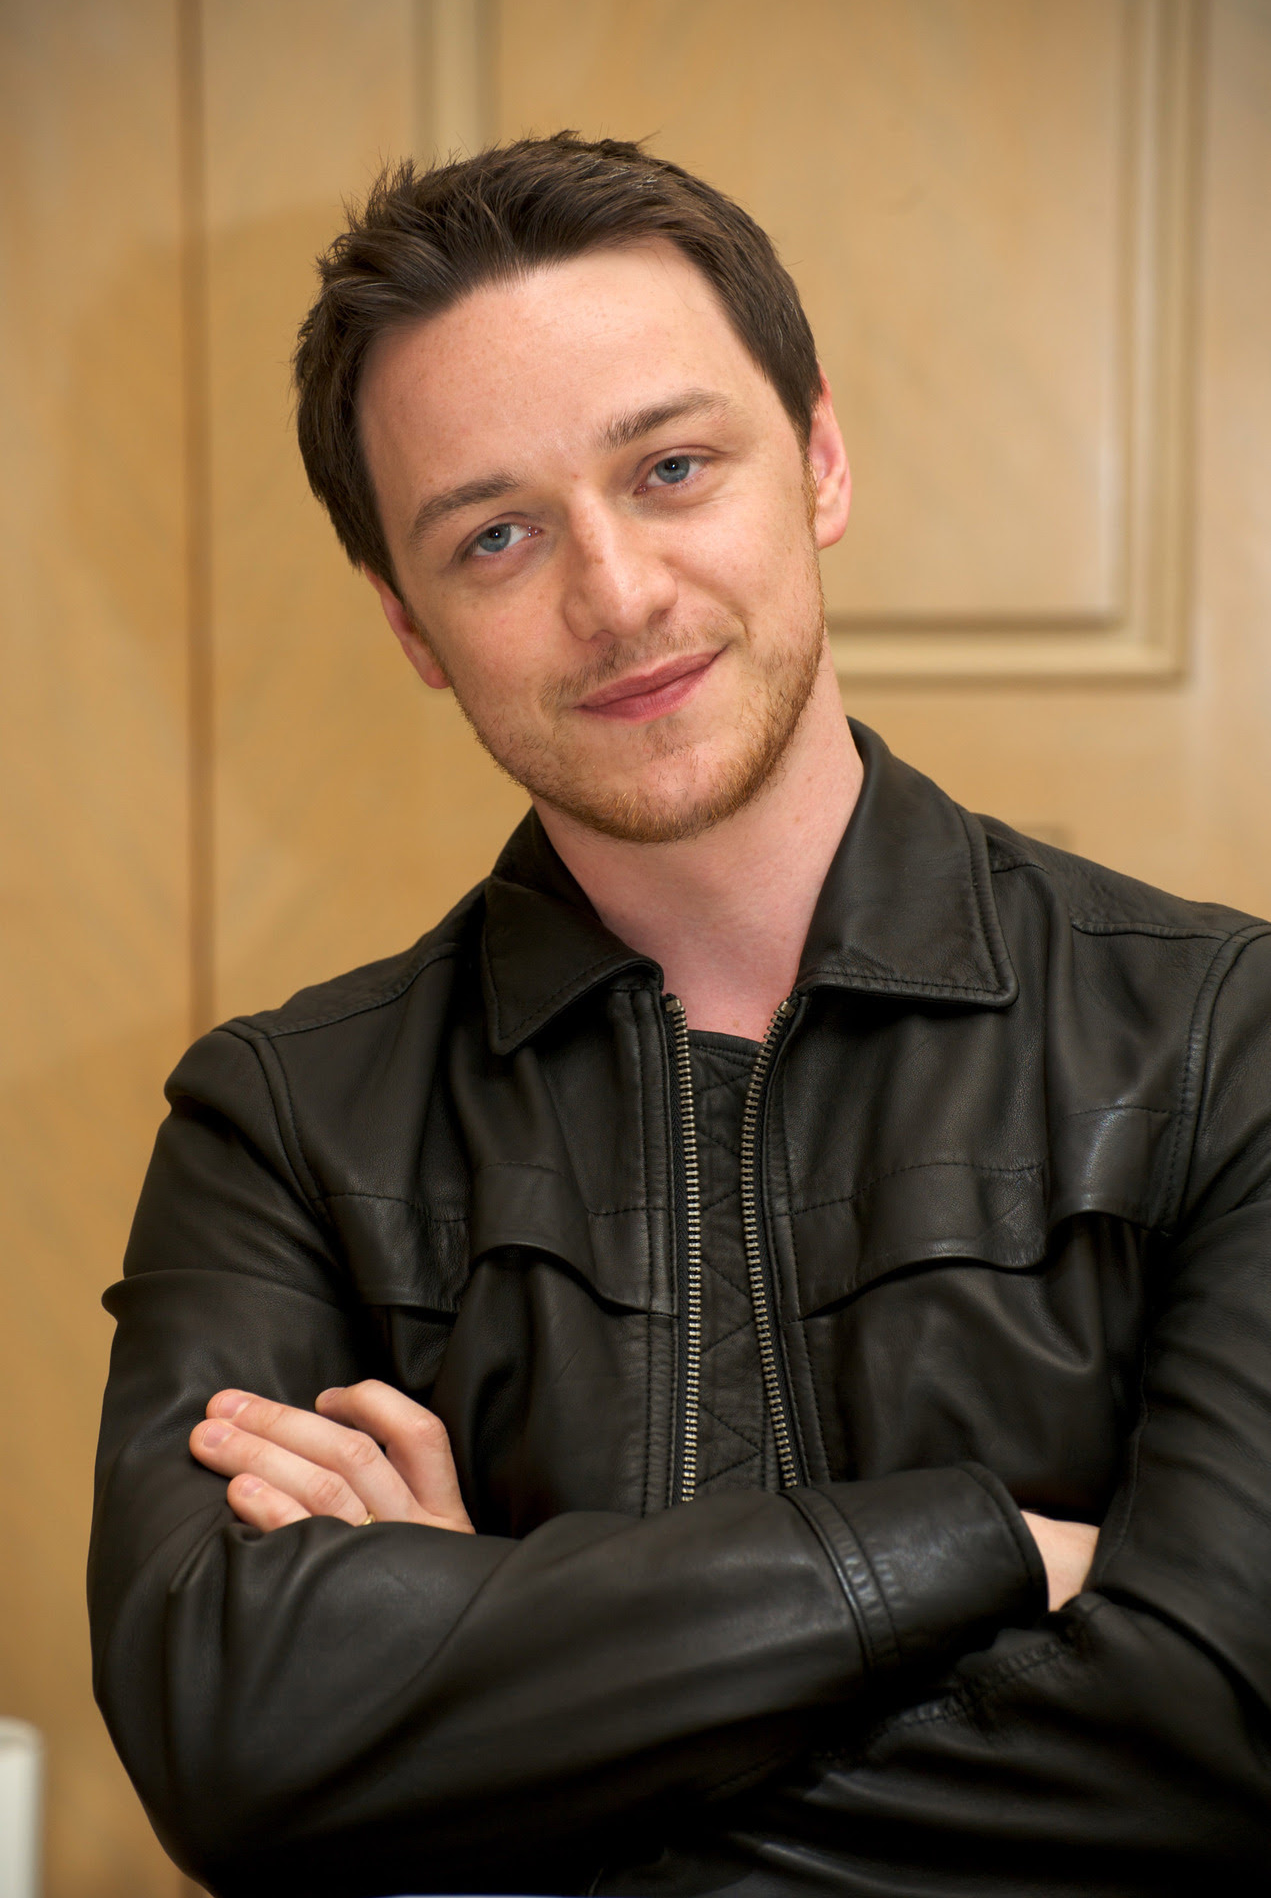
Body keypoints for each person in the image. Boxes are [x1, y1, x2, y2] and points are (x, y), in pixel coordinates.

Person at [90, 134, 1271, 1898]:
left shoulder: (1226, 1039)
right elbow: (239, 1742)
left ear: (819, 458)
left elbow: (1216, 1733)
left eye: (671, 469)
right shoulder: (281, 1128)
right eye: (495, 534)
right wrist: (988, 1552)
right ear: (412, 626)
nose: (618, 595)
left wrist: (486, 1697)